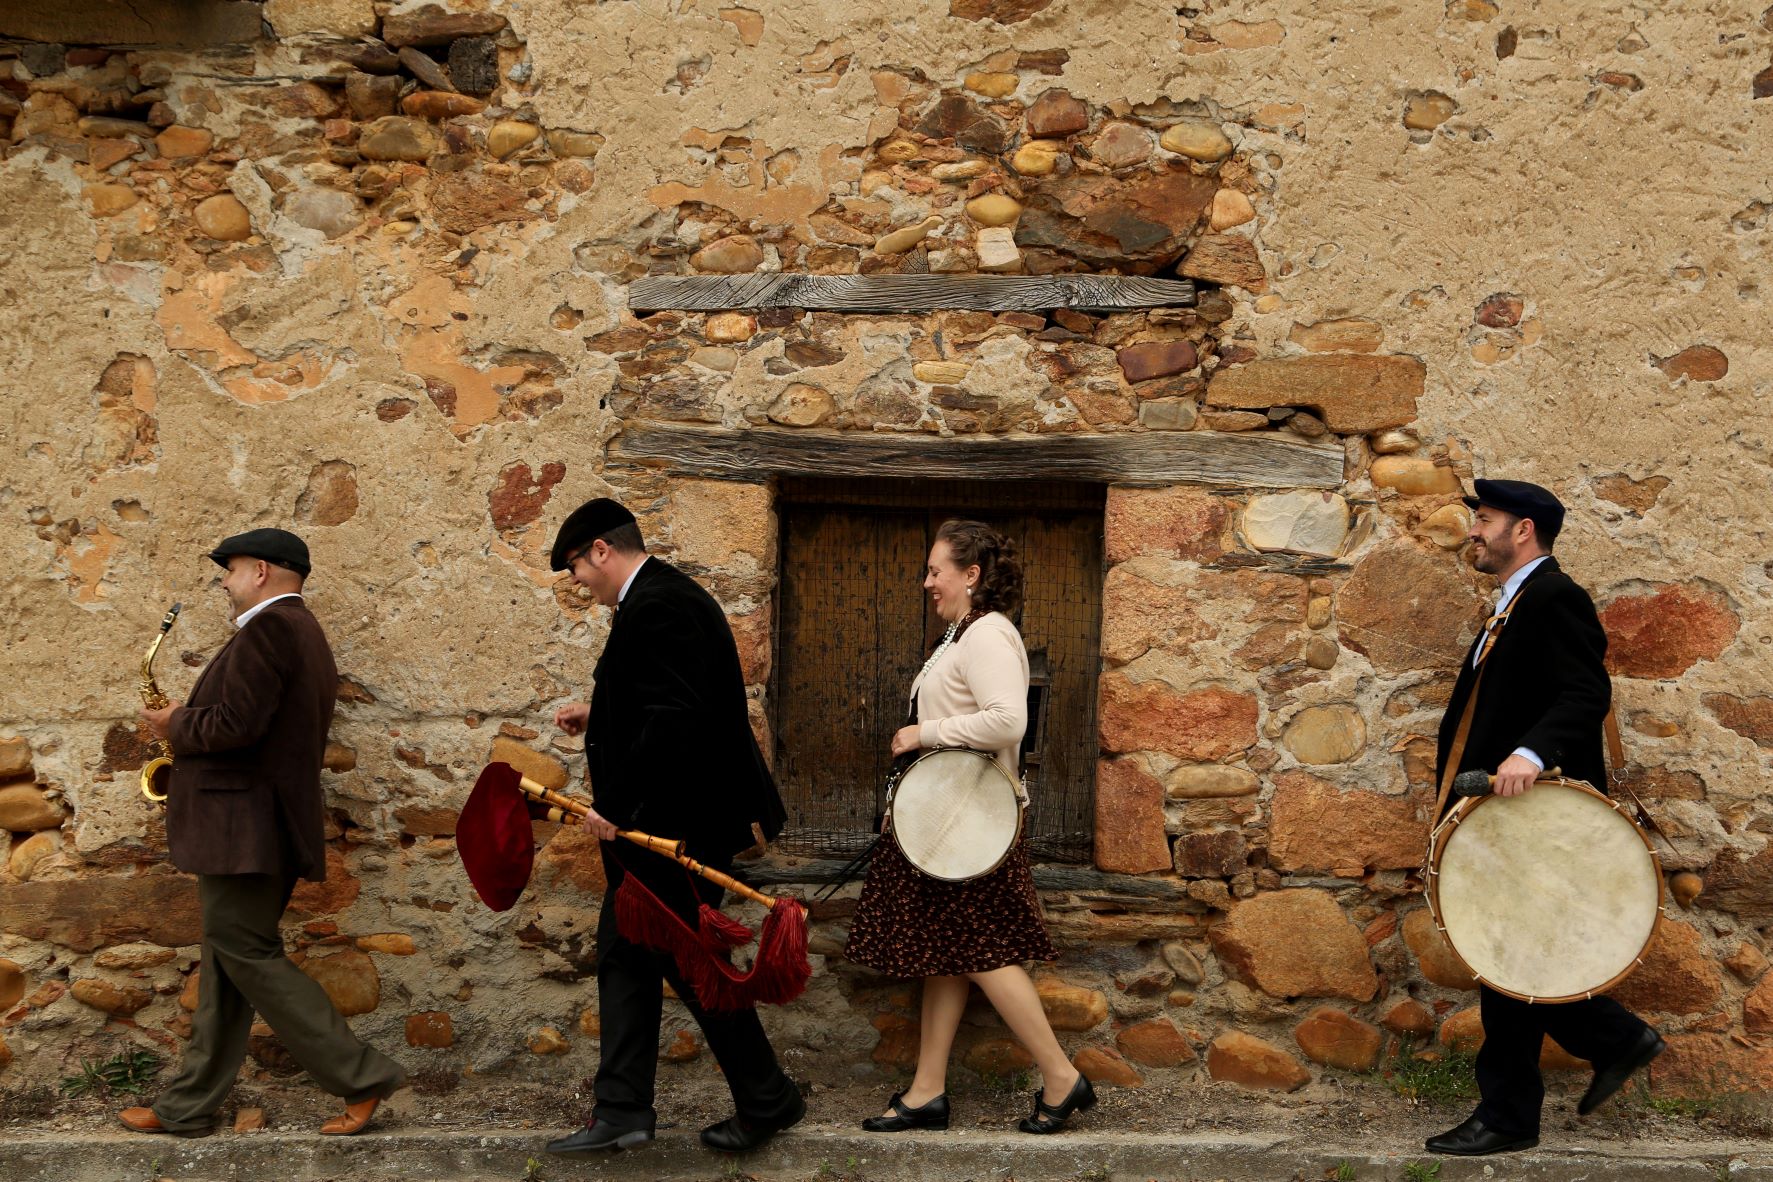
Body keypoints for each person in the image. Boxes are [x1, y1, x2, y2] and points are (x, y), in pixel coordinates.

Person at [541, 497, 803, 1157]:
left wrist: (619, 807)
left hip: (672, 826)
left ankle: (765, 1097)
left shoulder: (658, 604)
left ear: (601, 549)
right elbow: (657, 698)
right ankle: (624, 1108)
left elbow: (676, 721)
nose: (576, 581)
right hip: (670, 820)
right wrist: (595, 715)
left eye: (575, 565)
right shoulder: (657, 599)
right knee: (628, 956)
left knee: (688, 964)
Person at [124, 529, 405, 1138]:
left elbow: (238, 725)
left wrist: (176, 722)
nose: (223, 582)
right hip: (255, 828)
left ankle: (361, 1077)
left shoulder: (272, 629)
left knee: (247, 953)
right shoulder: (294, 630)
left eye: (227, 571)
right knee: (227, 964)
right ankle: (188, 1107)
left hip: (243, 830)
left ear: (258, 571)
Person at [1425, 479, 1664, 1158]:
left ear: (1521, 530)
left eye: (1485, 518)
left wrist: (1530, 753)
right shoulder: (1510, 604)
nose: (1472, 529)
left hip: (1530, 814)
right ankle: (1607, 1046)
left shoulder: (1553, 597)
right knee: (1510, 954)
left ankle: (1511, 1112)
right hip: (1501, 816)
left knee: (1510, 955)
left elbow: (1586, 690)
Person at [845, 519, 1094, 1135]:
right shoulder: (957, 637)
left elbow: (1009, 721)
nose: (927, 581)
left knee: (983, 951)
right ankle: (927, 1089)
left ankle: (1062, 1078)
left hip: (974, 828)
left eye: (937, 570)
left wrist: (922, 734)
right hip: (949, 825)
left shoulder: (987, 634)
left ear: (971, 575)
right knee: (949, 952)